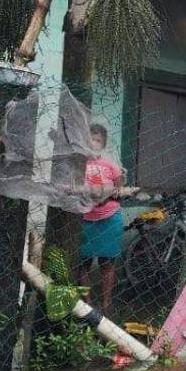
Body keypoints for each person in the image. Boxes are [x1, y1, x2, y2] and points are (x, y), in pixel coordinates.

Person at [78, 123, 124, 311]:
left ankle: (106, 304)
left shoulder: (110, 165)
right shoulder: (79, 164)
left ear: (103, 144)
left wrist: (105, 197)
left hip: (110, 218)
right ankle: (87, 305)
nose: (94, 143)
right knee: (84, 264)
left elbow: (119, 189)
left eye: (98, 140)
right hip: (86, 220)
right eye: (92, 139)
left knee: (107, 264)